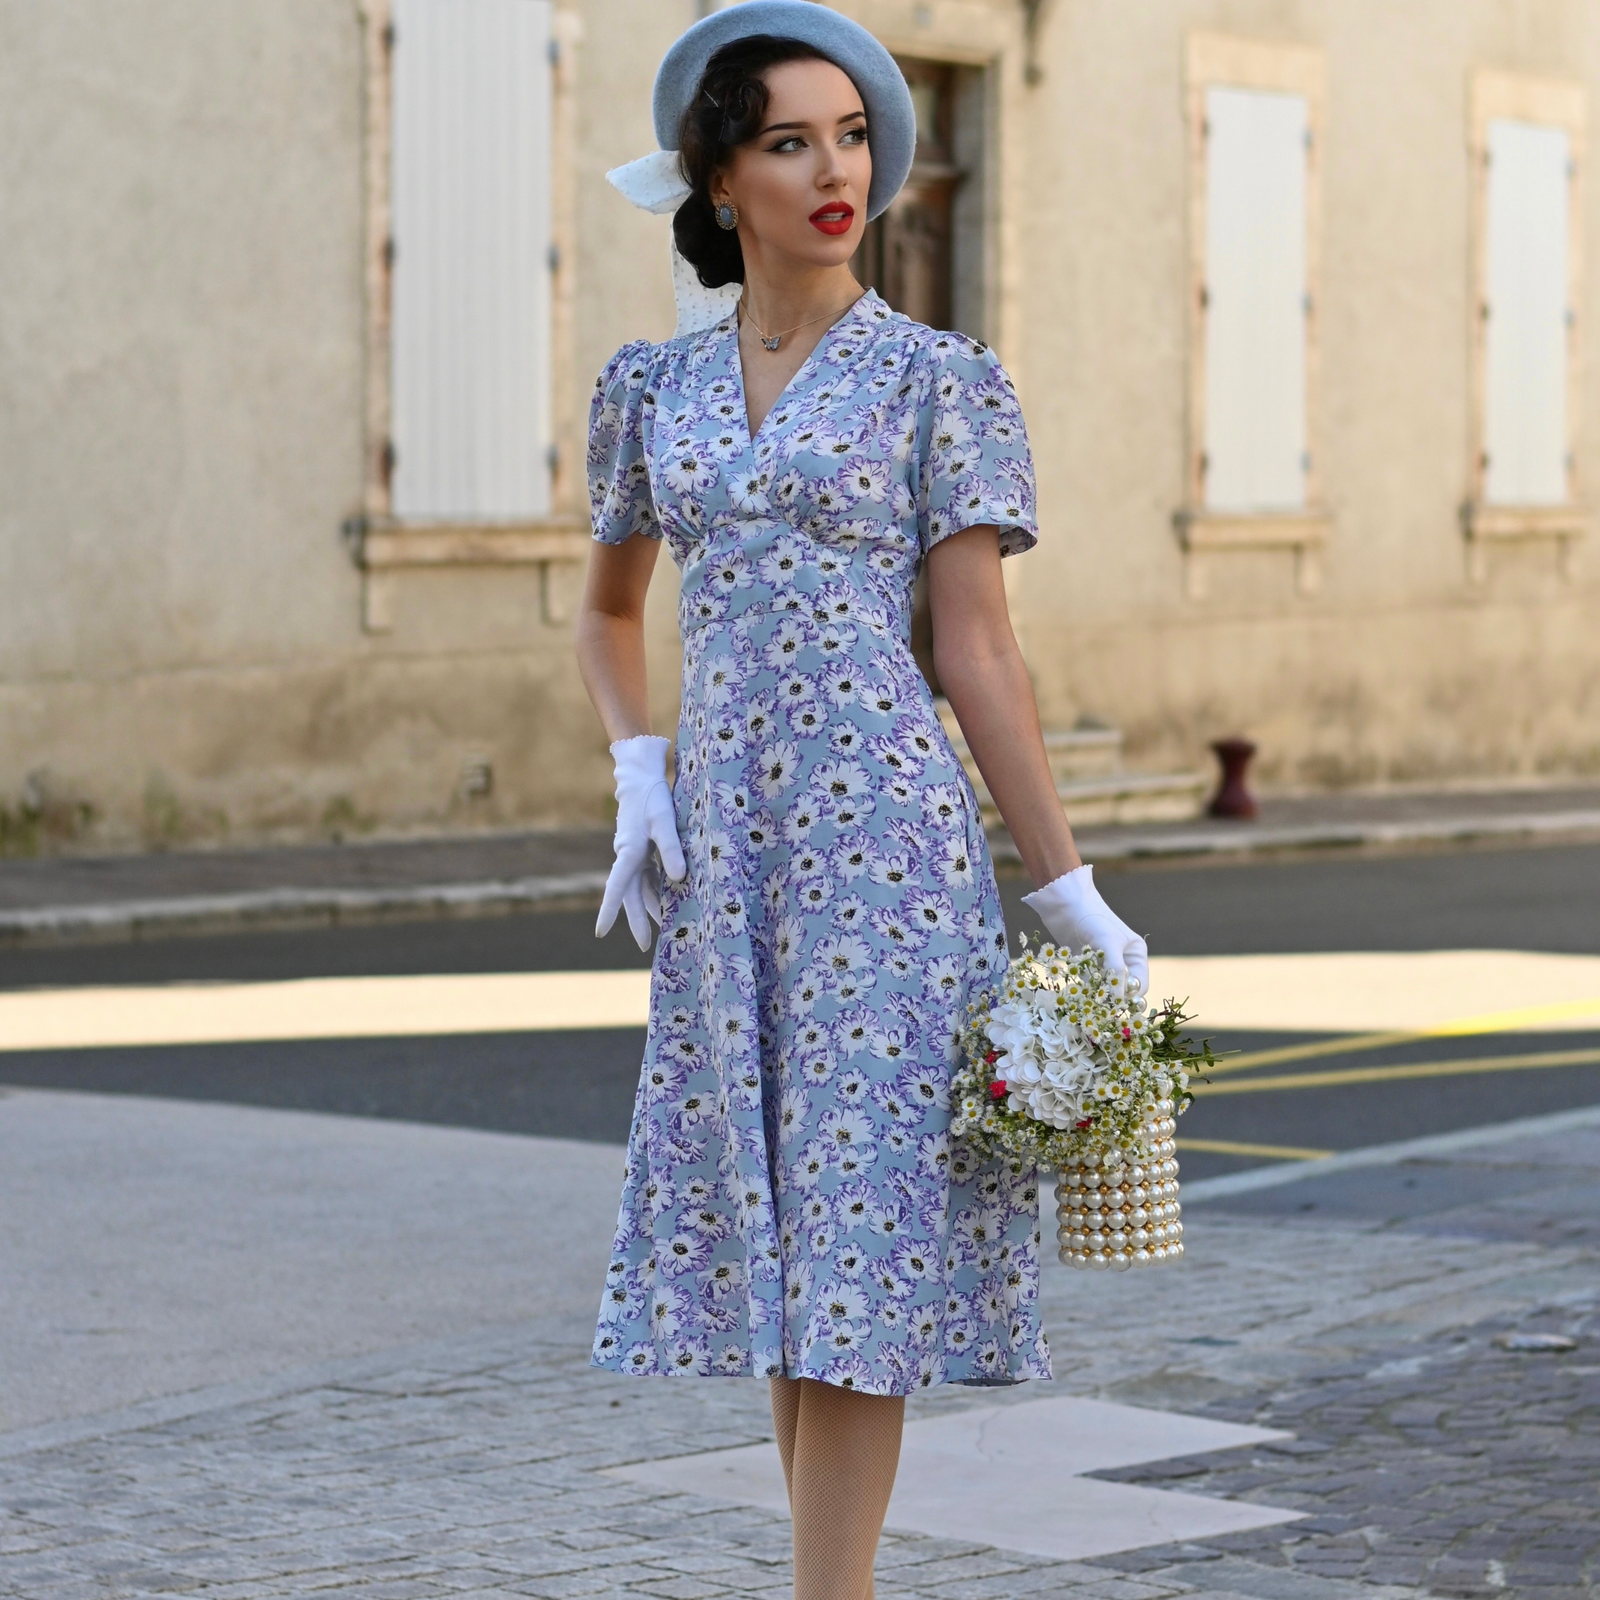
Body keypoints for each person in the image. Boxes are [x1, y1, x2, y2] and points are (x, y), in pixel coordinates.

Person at [575, 6, 1149, 1597]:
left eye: (852, 137)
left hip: (886, 856)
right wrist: (637, 764)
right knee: (779, 1251)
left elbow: (979, 651)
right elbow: (610, 613)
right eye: (790, 142)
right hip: (727, 866)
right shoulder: (654, 388)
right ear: (717, 176)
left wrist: (1066, 885)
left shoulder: (939, 381)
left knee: (860, 1252)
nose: (840, 170)